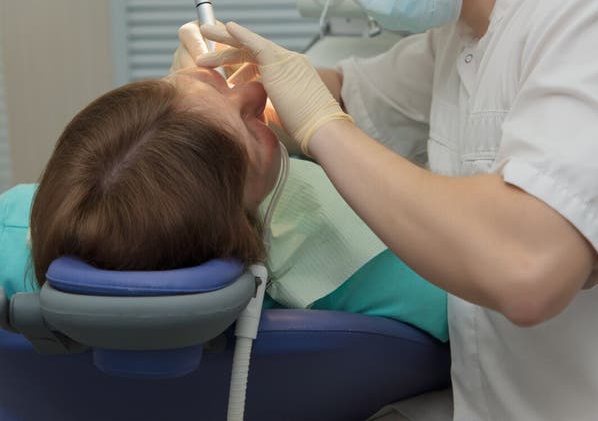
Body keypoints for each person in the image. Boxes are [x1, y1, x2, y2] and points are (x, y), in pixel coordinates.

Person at [191, 0, 598, 421]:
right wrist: (238, 89)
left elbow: (531, 265)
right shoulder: (462, 30)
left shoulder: (583, 4)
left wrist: (320, 122)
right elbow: (350, 99)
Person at [0, 62, 448, 348]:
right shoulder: (370, 260)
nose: (252, 93)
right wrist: (330, 132)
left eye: (200, 82)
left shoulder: (12, 228)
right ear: (244, 229)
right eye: (251, 131)